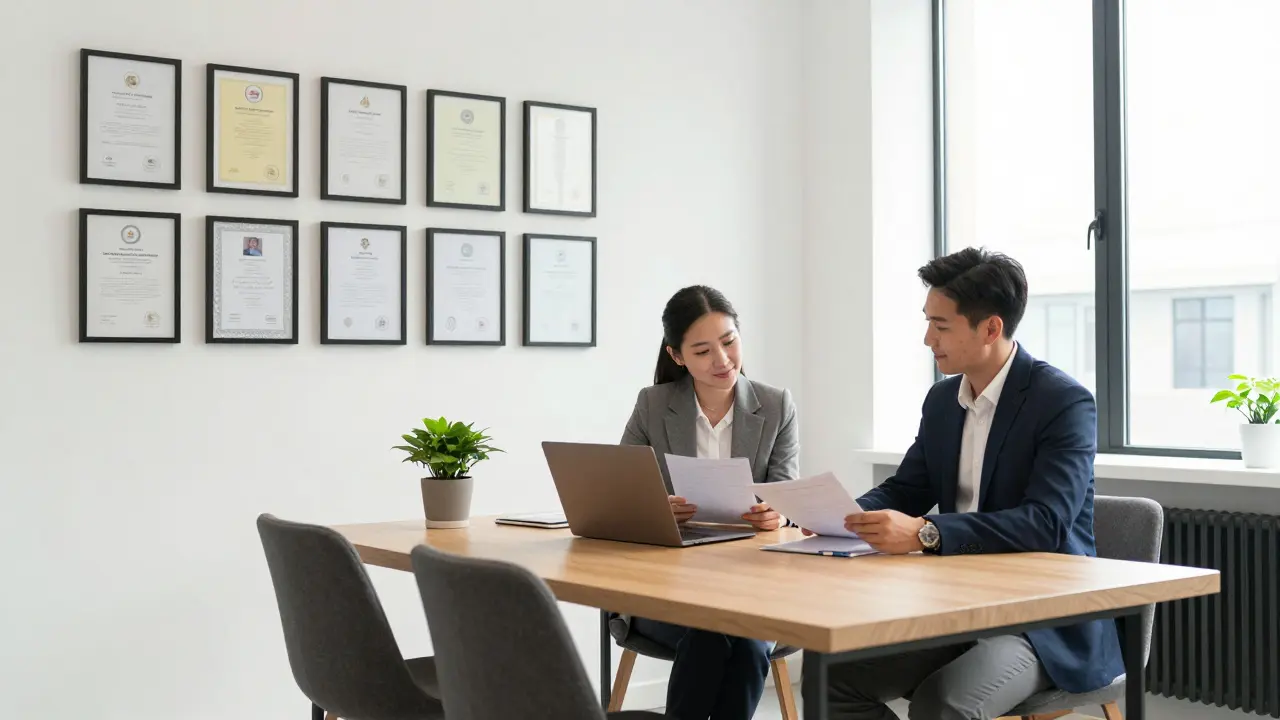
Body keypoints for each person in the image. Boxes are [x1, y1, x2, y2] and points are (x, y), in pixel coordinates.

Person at [803, 248, 1122, 719]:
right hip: (955, 603)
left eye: (941, 325)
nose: (927, 338)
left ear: (990, 328)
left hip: (1041, 620)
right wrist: (840, 516)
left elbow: (1046, 523)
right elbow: (907, 489)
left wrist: (926, 533)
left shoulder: (1063, 402)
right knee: (828, 675)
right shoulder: (941, 401)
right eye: (927, 322)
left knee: (943, 703)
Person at [617, 284, 799, 720]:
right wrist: (658, 509)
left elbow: (786, 496)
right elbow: (622, 495)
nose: (722, 360)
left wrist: (778, 514)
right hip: (667, 585)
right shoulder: (653, 405)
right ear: (677, 356)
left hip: (751, 582)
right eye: (702, 351)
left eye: (729, 341)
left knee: (747, 641)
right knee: (711, 634)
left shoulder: (776, 405)